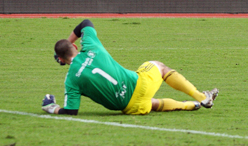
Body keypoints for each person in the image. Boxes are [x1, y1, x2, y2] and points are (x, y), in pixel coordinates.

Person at [42, 19, 218, 115]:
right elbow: (85, 23)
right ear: (74, 47)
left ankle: (191, 105)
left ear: (61, 60)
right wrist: (69, 41)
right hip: (138, 84)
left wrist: (52, 107)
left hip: (128, 107)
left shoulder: (70, 80)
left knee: (152, 104)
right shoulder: (90, 46)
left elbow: (71, 111)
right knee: (159, 67)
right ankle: (202, 97)